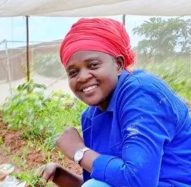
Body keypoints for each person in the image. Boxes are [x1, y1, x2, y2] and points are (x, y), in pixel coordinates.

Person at [39, 18, 191, 187]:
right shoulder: (90, 117)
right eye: (73, 72)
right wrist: (60, 176)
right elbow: (105, 181)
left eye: (93, 65)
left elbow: (138, 181)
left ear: (119, 65)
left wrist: (79, 152)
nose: (82, 77)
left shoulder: (142, 93)